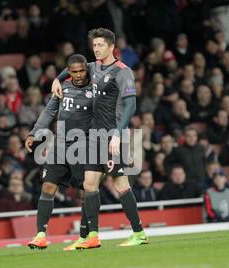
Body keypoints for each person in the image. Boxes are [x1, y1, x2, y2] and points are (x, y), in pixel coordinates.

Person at [52, 28, 148, 248]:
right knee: (89, 184)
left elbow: (131, 105)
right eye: (94, 46)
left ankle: (139, 233)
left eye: (100, 45)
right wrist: (57, 80)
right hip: (94, 136)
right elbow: (70, 69)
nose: (96, 49)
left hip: (113, 134)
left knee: (121, 185)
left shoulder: (122, 71)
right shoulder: (92, 67)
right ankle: (90, 237)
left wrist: (117, 134)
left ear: (112, 47)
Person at [25, 54, 93, 251]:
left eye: (82, 71)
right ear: (69, 72)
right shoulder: (62, 87)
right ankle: (40, 235)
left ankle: (84, 236)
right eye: (74, 71)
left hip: (83, 146)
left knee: (87, 190)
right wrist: (34, 133)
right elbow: (49, 111)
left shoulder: (95, 88)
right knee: (47, 187)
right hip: (60, 146)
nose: (79, 74)